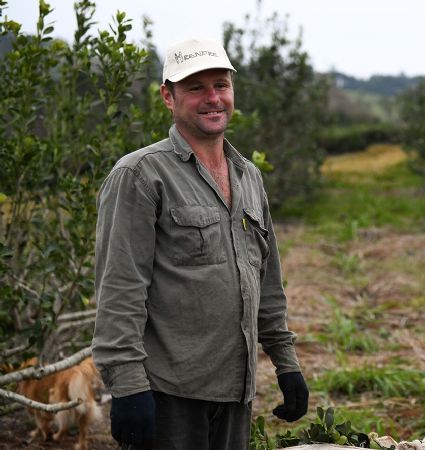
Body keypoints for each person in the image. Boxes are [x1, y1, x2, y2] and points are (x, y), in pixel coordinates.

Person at [92, 38, 308, 449]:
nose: (213, 98)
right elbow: (119, 290)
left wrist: (286, 364)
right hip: (167, 395)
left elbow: (267, 283)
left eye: (221, 85)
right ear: (168, 97)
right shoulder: (139, 175)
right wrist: (127, 386)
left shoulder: (248, 176)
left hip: (235, 392)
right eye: (196, 88)